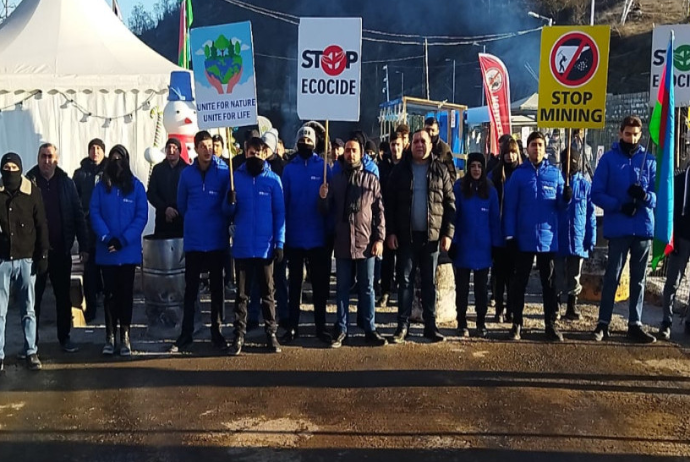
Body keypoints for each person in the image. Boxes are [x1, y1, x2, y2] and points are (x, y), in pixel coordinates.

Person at [591, 116, 657, 343]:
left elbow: (660, 197)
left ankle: (635, 323)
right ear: (620, 134)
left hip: (642, 228)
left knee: (639, 279)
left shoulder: (649, 161)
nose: (631, 138)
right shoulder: (608, 160)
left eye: (636, 134)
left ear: (641, 135)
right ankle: (603, 323)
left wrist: (645, 196)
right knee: (612, 276)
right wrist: (619, 205)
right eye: (627, 134)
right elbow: (596, 193)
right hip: (618, 227)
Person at [387, 130, 455, 344]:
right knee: (405, 282)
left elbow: (450, 204)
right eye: (415, 141)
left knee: (429, 282)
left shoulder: (440, 170)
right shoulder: (399, 172)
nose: (419, 145)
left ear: (430, 144)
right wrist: (390, 232)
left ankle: (430, 326)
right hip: (405, 237)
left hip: (432, 238)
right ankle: (402, 326)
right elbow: (388, 205)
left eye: (423, 141)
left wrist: (448, 234)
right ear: (410, 144)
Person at [319, 135, 387, 348]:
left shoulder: (371, 180)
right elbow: (325, 211)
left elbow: (379, 212)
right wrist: (322, 197)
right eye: (347, 150)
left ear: (361, 153)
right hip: (342, 243)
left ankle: (370, 329)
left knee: (367, 288)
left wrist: (380, 238)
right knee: (342, 288)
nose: (350, 154)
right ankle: (341, 328)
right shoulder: (335, 180)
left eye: (354, 150)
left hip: (366, 243)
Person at [504, 131, 572, 342]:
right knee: (519, 283)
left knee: (550, 285)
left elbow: (561, 207)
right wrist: (510, 235)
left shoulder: (555, 174)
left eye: (541, 145)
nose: (537, 148)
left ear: (545, 148)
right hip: (523, 238)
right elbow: (510, 208)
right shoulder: (518, 176)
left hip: (548, 239)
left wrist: (566, 198)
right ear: (527, 148)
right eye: (533, 145)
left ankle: (550, 324)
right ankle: (516, 323)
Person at [172, 131, 231, 352]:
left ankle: (217, 332)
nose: (208, 150)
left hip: (216, 239)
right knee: (191, 289)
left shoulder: (225, 172)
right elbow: (182, 204)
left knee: (217, 289)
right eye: (203, 146)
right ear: (195, 149)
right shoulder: (187, 175)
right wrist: (194, 220)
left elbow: (229, 206)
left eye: (211, 146)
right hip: (195, 240)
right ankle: (186, 333)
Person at [226, 135, 285, 356]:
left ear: (264, 154)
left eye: (259, 153)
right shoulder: (235, 178)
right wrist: (229, 202)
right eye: (252, 153)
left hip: (265, 247)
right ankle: (239, 335)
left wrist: (279, 242)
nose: (256, 156)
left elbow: (280, 214)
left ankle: (271, 333)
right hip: (242, 246)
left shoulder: (273, 180)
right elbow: (227, 213)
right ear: (245, 152)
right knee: (241, 295)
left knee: (268, 293)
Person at [27, 143, 88, 353]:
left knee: (63, 298)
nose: (46, 161)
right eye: (43, 156)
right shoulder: (28, 182)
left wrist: (84, 245)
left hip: (61, 250)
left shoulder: (66, 183)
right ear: (38, 158)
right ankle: (31, 343)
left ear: (57, 159)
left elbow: (78, 214)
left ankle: (65, 337)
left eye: (50, 156)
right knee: (32, 300)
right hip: (35, 254)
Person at [90, 145, 148, 356]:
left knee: (125, 295)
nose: (117, 163)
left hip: (127, 251)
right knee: (109, 296)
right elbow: (94, 212)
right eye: (113, 159)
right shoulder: (100, 187)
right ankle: (109, 335)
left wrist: (124, 239)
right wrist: (106, 237)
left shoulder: (136, 187)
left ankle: (125, 336)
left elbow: (141, 216)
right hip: (107, 251)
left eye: (120, 159)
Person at [281, 127, 331, 344]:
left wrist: (325, 197)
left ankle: (321, 327)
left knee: (320, 287)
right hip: (295, 237)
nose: (305, 142)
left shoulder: (324, 168)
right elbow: (283, 203)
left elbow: (330, 205)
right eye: (301, 139)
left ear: (314, 143)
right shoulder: (288, 169)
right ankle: (293, 327)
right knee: (295, 286)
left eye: (308, 139)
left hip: (318, 237)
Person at [0, 153, 48, 372]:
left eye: (13, 167)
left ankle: (31, 350)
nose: (10, 171)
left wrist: (43, 254)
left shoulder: (32, 192)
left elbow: (41, 225)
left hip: (27, 259)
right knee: (0, 312)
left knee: (28, 309)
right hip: (2, 261)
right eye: (6, 168)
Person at [450, 152, 501, 338]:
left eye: (479, 166)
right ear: (468, 168)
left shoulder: (491, 191)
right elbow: (453, 218)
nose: (476, 170)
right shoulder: (459, 188)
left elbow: (495, 221)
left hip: (484, 248)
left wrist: (497, 244)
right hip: (463, 246)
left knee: (481, 289)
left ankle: (481, 321)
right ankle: (461, 321)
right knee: (462, 288)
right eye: (473, 166)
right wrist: (453, 242)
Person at [247, 128, 288, 326]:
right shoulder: (245, 172)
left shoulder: (278, 172)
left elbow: (280, 209)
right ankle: (253, 315)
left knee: (276, 281)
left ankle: (281, 316)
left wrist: (280, 240)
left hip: (272, 237)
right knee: (255, 282)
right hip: (254, 240)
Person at [555, 148, 596, 321]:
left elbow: (591, 215)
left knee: (574, 275)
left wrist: (591, 238)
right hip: (558, 237)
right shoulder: (557, 182)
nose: (570, 164)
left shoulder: (586, 186)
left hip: (578, 238)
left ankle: (571, 305)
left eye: (573, 160)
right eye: (567, 160)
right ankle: (555, 306)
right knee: (556, 274)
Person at [488, 138, 522, 323]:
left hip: (517, 232)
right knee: (499, 274)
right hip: (499, 232)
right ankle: (499, 308)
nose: (510, 156)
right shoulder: (494, 175)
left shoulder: (522, 173)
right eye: (507, 152)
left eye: (513, 152)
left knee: (514, 276)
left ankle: (511, 309)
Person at [73, 138, 107, 322]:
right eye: (92, 148)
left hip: (107, 225)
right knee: (90, 268)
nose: (95, 151)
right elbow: (74, 197)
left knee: (107, 267)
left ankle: (107, 300)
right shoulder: (80, 174)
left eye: (98, 148)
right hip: (88, 226)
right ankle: (91, 307)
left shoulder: (110, 171)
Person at [660, 163, 690, 339]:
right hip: (681, 238)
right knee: (672, 281)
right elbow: (670, 213)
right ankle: (666, 321)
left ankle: (689, 323)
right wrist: (673, 238)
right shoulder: (678, 181)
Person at [377, 131, 405, 308]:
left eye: (398, 145)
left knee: (403, 261)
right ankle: (385, 291)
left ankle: (402, 292)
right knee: (387, 259)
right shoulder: (383, 166)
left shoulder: (407, 165)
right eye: (393, 145)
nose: (395, 148)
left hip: (403, 218)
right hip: (386, 216)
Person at [147, 138, 187, 238]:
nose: (171, 150)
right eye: (169, 147)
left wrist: (176, 210)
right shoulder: (158, 169)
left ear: (179, 151)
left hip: (182, 219)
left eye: (174, 148)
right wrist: (165, 209)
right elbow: (151, 193)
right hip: (162, 218)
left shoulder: (187, 170)